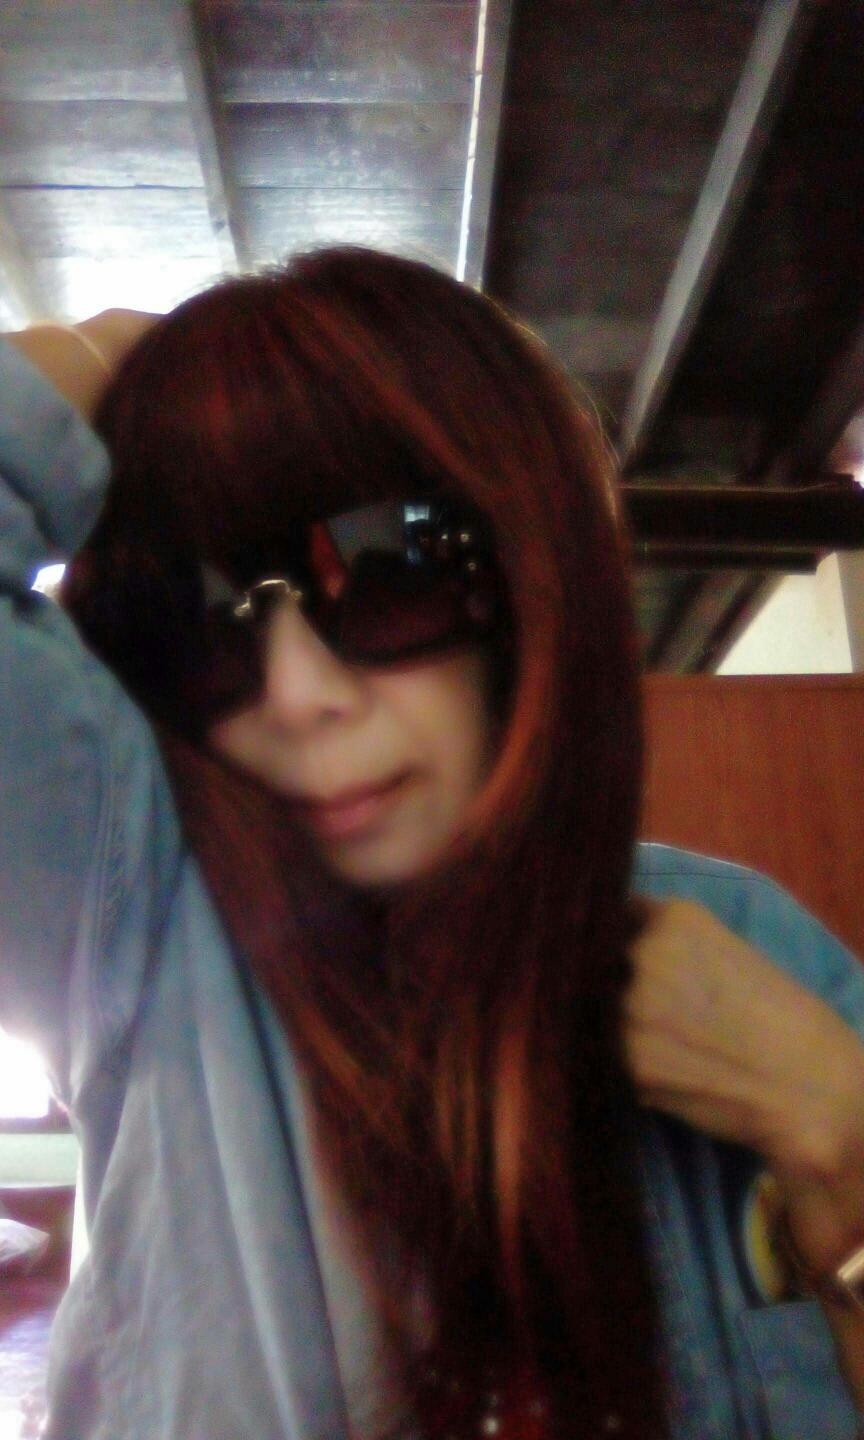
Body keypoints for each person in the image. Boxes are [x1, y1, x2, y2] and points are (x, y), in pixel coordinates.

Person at [1, 247, 863, 1440]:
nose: (299, 696)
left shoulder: (748, 942)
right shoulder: (134, 917)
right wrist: (99, 352)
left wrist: (836, 1120)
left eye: (387, 574)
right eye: (204, 625)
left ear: (523, 577)